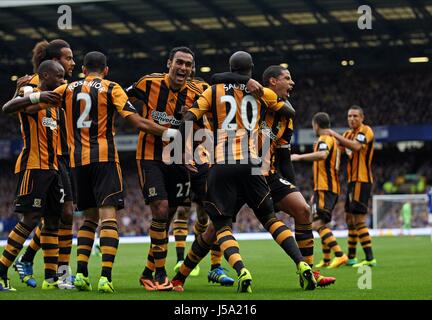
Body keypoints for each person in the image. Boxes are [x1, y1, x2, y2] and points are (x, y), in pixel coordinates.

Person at [172, 51, 316, 293]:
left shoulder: (212, 91)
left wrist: (183, 149)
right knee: (271, 220)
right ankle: (302, 263)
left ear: (230, 67)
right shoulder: (262, 92)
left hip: (222, 164)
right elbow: (289, 111)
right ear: (251, 70)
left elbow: (188, 116)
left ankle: (241, 270)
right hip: (253, 165)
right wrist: (259, 91)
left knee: (220, 225)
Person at [54, 51, 172, 293]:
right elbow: (136, 121)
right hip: (105, 158)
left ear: (83, 70)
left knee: (88, 219)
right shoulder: (111, 87)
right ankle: (105, 277)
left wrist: (27, 94)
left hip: (77, 162)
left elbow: (40, 99)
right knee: (108, 218)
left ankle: (81, 274)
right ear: (105, 70)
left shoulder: (66, 89)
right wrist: (168, 133)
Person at [211, 65, 335, 287]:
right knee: (215, 229)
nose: (292, 82)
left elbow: (284, 156)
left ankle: (308, 273)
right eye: (287, 78)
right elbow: (218, 78)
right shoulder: (252, 99)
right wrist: (246, 81)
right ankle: (190, 270)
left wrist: (292, 189)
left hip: (269, 174)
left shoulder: (286, 116)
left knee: (303, 209)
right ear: (272, 82)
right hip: (242, 172)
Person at [13, 39, 76, 289]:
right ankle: (58, 273)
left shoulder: (63, 86)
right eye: (68, 58)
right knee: (52, 215)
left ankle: (46, 270)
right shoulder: (32, 84)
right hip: (45, 159)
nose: (72, 63)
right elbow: (17, 108)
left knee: (64, 215)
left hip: (61, 156)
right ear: (53, 63)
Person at [0, 60, 65, 291]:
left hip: (53, 169)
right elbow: (10, 108)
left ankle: (51, 278)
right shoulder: (30, 92)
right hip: (33, 166)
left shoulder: (55, 103)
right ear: (45, 75)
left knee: (53, 222)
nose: (62, 80)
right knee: (30, 219)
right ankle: (0, 271)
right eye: (58, 76)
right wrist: (37, 97)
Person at [320, 105, 376, 267]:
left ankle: (370, 258)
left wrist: (334, 134)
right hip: (352, 181)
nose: (352, 119)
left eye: (355, 116)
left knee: (358, 219)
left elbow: (356, 147)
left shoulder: (366, 131)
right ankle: (351, 257)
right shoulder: (347, 134)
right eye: (349, 116)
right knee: (349, 219)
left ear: (362, 118)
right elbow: (338, 150)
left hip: (362, 179)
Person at [291, 112, 348, 268]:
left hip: (325, 187)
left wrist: (299, 157)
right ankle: (327, 259)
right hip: (326, 187)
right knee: (322, 223)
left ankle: (340, 255)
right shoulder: (333, 141)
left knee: (316, 224)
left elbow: (323, 155)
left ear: (316, 125)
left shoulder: (325, 139)